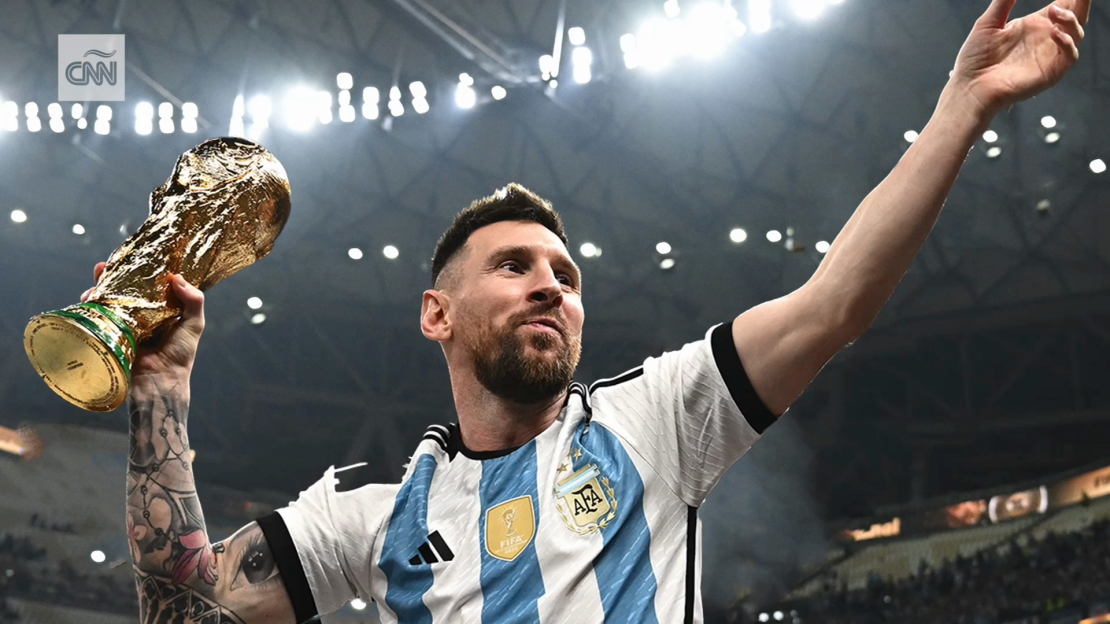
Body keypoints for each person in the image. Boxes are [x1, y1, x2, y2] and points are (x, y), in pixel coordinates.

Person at [80, 0, 1090, 621]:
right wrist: (158, 398)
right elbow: (182, 621)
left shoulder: (655, 421)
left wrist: (961, 108)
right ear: (436, 314)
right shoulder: (371, 514)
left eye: (565, 273)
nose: (551, 285)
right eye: (514, 265)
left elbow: (838, 301)